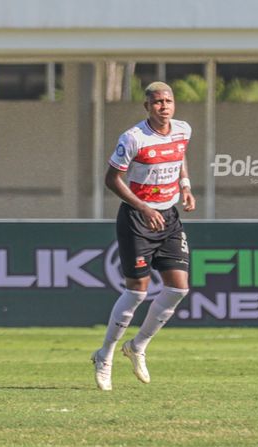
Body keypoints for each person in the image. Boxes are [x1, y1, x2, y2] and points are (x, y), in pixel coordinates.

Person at [91, 81, 196, 391]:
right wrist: (143, 206)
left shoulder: (183, 130)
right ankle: (105, 355)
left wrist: (186, 186)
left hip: (169, 217)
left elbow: (179, 158)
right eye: (157, 102)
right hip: (138, 219)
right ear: (147, 107)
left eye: (168, 101)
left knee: (179, 288)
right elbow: (112, 179)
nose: (164, 106)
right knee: (137, 291)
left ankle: (137, 346)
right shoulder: (133, 138)